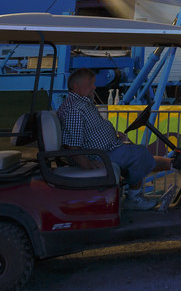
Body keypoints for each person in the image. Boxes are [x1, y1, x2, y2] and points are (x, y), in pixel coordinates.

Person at [57, 67, 171, 209]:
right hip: (99, 155)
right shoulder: (74, 109)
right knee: (140, 153)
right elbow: (71, 144)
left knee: (136, 152)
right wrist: (86, 163)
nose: (94, 87)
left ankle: (169, 165)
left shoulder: (82, 103)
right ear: (76, 86)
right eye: (90, 84)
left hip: (106, 150)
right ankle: (134, 197)